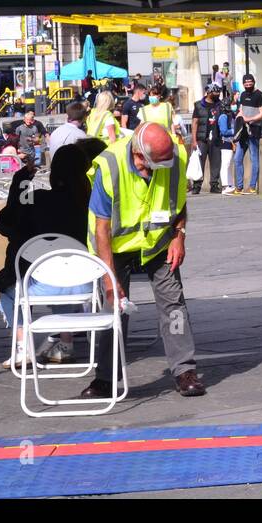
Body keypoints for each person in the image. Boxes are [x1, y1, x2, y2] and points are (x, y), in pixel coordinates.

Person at [84, 123, 205, 398]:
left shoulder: (175, 158)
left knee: (174, 305)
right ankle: (105, 377)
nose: (166, 167)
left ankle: (184, 370)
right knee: (112, 307)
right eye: (157, 164)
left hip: (159, 241)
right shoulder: (110, 166)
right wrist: (110, 278)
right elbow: (101, 228)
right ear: (140, 157)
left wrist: (179, 235)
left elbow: (179, 202)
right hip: (116, 246)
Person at [0, 144, 94, 368]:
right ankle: (65, 345)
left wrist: (20, 183)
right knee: (65, 273)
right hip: (83, 285)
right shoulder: (90, 203)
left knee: (10, 288)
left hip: (40, 283)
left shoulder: (38, 200)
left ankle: (22, 347)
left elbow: (5, 224)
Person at [226, 73, 262, 195]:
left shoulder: (260, 95)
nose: (248, 85)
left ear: (254, 82)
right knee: (237, 158)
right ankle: (239, 187)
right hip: (243, 131)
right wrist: (240, 116)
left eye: (250, 83)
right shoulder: (243, 95)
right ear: (243, 84)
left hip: (254, 130)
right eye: (246, 83)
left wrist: (249, 119)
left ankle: (252, 187)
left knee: (254, 158)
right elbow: (241, 109)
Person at [188, 86, 223, 195]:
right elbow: (195, 123)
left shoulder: (220, 105)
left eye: (218, 92)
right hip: (202, 139)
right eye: (215, 92)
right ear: (208, 92)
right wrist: (194, 140)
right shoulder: (198, 105)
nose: (217, 94)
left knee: (216, 162)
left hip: (216, 138)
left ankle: (214, 185)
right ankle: (197, 185)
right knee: (199, 162)